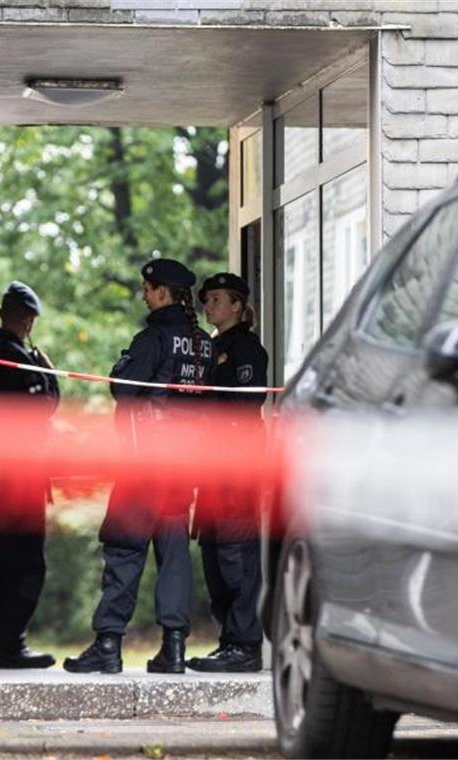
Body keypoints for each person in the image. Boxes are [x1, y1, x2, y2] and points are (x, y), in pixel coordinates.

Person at [64, 258, 215, 675]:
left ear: (163, 292)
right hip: (184, 465)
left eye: (148, 289)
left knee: (124, 548)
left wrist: (121, 369)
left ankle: (108, 643)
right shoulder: (204, 344)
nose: (144, 295)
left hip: (144, 461)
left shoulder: (153, 338)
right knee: (174, 553)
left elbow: (123, 388)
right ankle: (175, 646)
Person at [0, 281, 60, 669]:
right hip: (18, 473)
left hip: (5, 471)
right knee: (24, 562)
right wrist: (45, 370)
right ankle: (9, 643)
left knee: (5, 560)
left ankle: (1, 642)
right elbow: (45, 406)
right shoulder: (11, 358)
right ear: (26, 319)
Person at [188, 272, 269, 673]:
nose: (209, 305)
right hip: (211, 465)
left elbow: (240, 407)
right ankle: (229, 639)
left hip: (237, 466)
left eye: (217, 299)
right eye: (207, 299)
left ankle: (245, 643)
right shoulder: (209, 348)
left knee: (237, 556)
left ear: (237, 305)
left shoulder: (248, 350)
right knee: (214, 554)